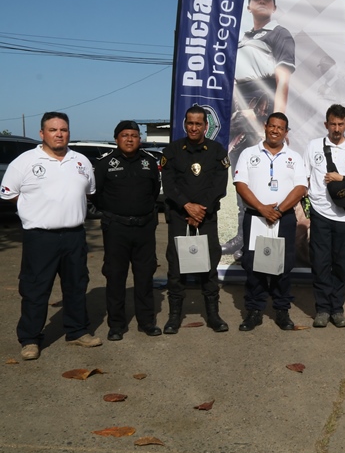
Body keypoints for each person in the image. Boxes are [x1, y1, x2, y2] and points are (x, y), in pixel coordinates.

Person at [0, 112, 100, 360]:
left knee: (76, 285)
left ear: (69, 132)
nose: (59, 134)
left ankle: (77, 332)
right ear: (42, 133)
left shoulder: (81, 161)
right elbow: (8, 193)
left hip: (74, 235)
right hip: (40, 237)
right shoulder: (24, 161)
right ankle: (30, 339)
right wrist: (32, 209)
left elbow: (89, 192)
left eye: (63, 129)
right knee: (35, 288)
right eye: (53, 130)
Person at [224, 0, 297, 257]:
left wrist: (278, 122)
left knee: (264, 179)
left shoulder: (280, 34)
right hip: (237, 109)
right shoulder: (241, 37)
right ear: (249, 5)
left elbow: (283, 82)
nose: (262, 1)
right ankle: (242, 236)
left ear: (274, 6)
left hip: (262, 109)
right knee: (241, 175)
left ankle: (258, 239)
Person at [233, 113, 307, 331]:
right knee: (253, 264)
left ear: (286, 132)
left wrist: (278, 210)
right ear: (265, 127)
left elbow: (301, 188)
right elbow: (240, 184)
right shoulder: (248, 153)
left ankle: (282, 310)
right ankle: (254, 310)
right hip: (256, 217)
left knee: (282, 265)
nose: (275, 131)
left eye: (280, 128)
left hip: (283, 219)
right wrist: (261, 208)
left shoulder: (294, 157)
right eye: (272, 126)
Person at [160, 105, 230, 334]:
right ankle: (174, 317)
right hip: (179, 217)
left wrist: (200, 211)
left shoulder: (217, 151)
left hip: (206, 218)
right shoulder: (172, 151)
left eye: (198, 123)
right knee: (176, 266)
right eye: (190, 123)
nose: (193, 127)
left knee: (208, 264)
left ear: (206, 126)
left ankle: (213, 315)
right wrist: (187, 207)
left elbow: (219, 186)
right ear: (185, 124)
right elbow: (169, 184)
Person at [93, 121, 162, 341]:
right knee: (115, 276)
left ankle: (147, 321)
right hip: (116, 228)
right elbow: (96, 195)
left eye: (134, 135)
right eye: (125, 135)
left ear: (139, 139)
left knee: (144, 275)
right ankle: (116, 325)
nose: (130, 139)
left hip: (144, 228)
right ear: (116, 139)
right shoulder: (105, 164)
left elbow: (153, 192)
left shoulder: (149, 162)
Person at [304, 104, 345, 328]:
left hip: (344, 217)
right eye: (333, 124)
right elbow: (304, 177)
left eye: (341, 124)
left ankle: (337, 309)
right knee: (320, 263)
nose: (337, 128)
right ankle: (322, 309)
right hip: (320, 213)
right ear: (326, 124)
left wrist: (342, 178)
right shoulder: (314, 146)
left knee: (340, 264)